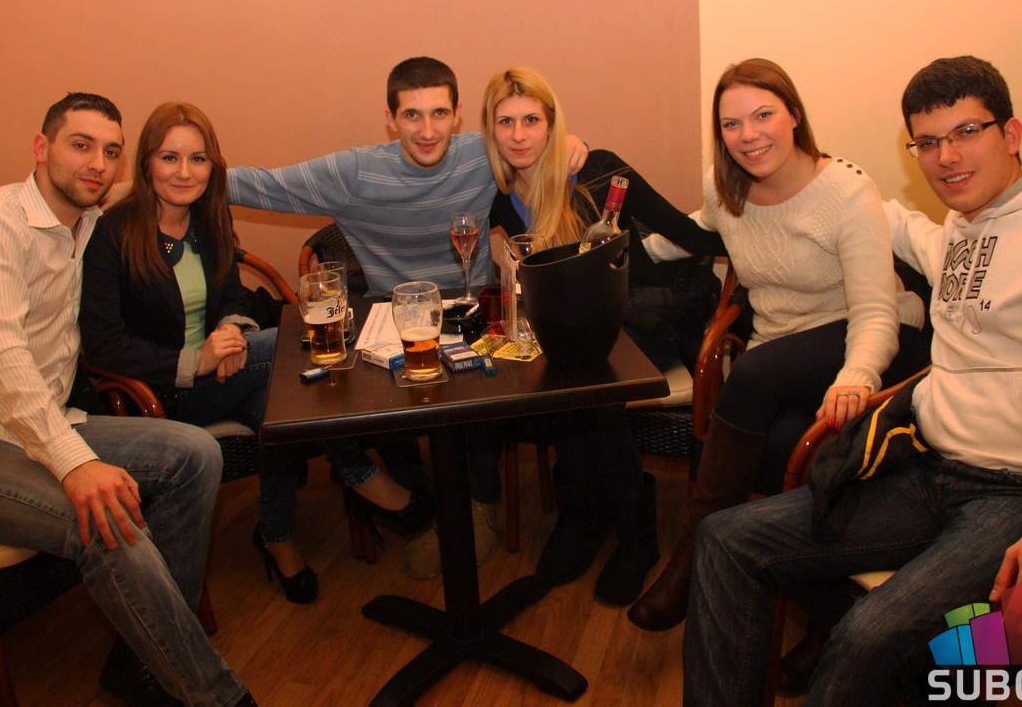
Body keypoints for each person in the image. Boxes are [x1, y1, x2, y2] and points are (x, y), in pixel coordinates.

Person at [682, 56, 1022, 705]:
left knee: (870, 636)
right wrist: (814, 178)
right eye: (927, 143)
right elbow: (894, 225)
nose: (946, 157)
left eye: (966, 133)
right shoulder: (962, 224)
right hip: (931, 469)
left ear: (1012, 134)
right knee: (725, 538)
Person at [224, 57, 587, 578]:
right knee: (382, 401)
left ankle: (479, 504)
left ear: (458, 115)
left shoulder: (484, 153)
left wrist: (573, 145)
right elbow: (256, 184)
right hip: (394, 324)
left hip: (471, 314)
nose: (427, 130)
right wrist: (150, 182)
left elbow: (537, 141)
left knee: (485, 396)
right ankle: (425, 508)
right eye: (412, 115)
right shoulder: (353, 173)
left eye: (439, 113)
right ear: (391, 119)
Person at [0, 93, 256, 707]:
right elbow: (1, 361)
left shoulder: (89, 224)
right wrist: (75, 463)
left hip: (48, 422)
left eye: (110, 151)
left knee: (197, 454)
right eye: (80, 145)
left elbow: (162, 200)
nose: (96, 163)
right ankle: (216, 697)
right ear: (41, 148)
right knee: (105, 518)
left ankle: (141, 664)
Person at [80, 102, 429, 604]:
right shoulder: (113, 232)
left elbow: (232, 294)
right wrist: (195, 361)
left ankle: (278, 537)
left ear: (213, 166)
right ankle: (364, 478)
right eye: (169, 158)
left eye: (198, 159)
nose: (184, 172)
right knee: (294, 345)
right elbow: (102, 342)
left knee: (281, 401)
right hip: (160, 395)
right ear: (147, 163)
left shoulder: (208, 218)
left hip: (228, 373)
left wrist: (231, 329)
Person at [628, 58, 930, 632]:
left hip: (868, 340)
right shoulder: (725, 187)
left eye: (763, 115)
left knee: (750, 375)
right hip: (782, 357)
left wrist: (857, 376)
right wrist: (629, 252)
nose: (748, 135)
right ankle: (817, 613)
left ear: (794, 115)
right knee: (781, 446)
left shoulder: (845, 194)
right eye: (731, 124)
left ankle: (690, 559)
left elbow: (876, 313)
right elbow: (703, 229)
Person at [482, 66, 726, 604]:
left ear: (552, 124)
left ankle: (631, 532)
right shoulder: (500, 197)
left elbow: (689, 233)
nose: (519, 135)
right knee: (565, 368)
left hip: (644, 319)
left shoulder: (599, 171)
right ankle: (588, 516)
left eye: (531, 120)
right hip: (568, 331)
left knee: (586, 378)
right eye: (506, 122)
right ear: (490, 129)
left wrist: (763, 233)